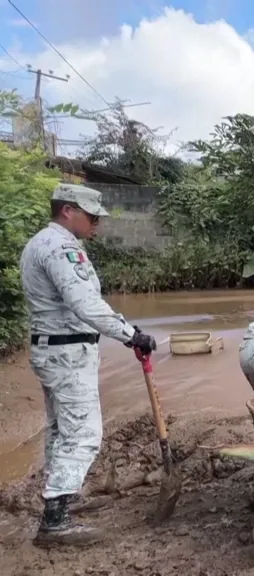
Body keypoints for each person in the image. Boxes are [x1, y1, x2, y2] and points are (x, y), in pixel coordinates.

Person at [20, 183, 158, 547]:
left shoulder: (40, 243)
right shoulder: (62, 248)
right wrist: (131, 335)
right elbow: (85, 304)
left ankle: (57, 502)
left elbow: (80, 305)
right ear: (68, 210)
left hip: (52, 350)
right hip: (66, 354)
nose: (97, 224)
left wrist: (127, 328)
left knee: (60, 431)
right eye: (92, 216)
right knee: (83, 434)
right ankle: (55, 521)